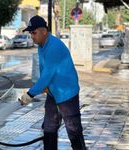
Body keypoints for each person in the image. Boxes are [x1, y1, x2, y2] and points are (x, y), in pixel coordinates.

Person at [19, 15, 86, 150]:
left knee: (73, 130)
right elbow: (44, 70)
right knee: (49, 127)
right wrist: (45, 87)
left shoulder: (54, 46)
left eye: (34, 32)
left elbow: (46, 76)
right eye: (30, 33)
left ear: (44, 31)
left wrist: (30, 94)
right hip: (53, 93)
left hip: (67, 93)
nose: (32, 36)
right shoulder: (42, 46)